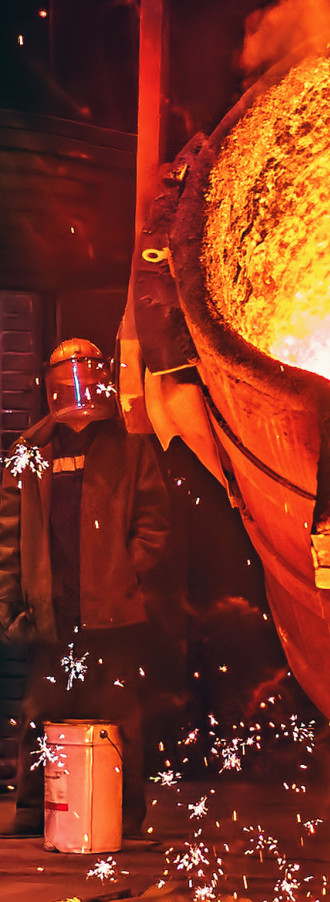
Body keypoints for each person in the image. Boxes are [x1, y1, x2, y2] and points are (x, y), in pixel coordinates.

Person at [0, 338, 169, 837]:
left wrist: (124, 576)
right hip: (51, 610)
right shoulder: (30, 449)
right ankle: (34, 810)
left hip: (112, 612)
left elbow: (154, 523)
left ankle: (125, 814)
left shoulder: (131, 444)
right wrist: (11, 605)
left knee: (119, 718)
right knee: (41, 713)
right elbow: (9, 535)